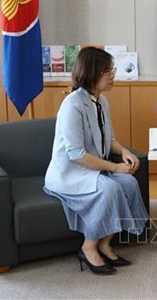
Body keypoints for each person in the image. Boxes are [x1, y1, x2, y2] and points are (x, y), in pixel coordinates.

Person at [44, 47, 149, 275]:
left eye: (112, 70)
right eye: (107, 71)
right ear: (92, 73)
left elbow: (109, 139)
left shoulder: (102, 102)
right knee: (111, 188)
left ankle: (104, 242)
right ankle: (88, 246)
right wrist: (114, 167)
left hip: (92, 170)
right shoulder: (72, 105)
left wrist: (123, 152)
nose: (113, 75)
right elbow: (77, 155)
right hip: (70, 173)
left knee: (129, 184)